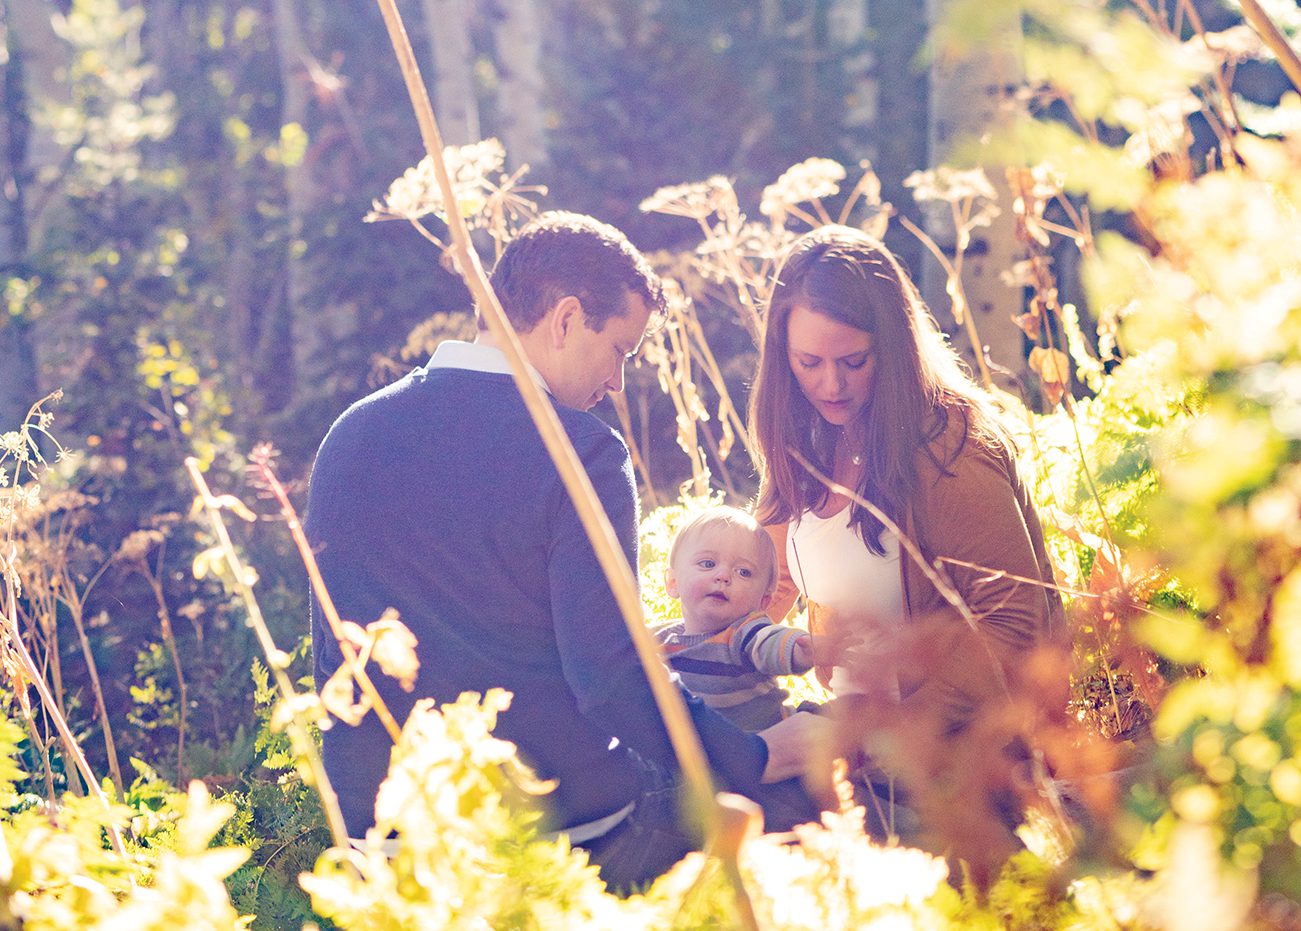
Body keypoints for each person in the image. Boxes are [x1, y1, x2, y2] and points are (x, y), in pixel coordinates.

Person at [306, 211, 826, 890]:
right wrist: (751, 754)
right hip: (553, 830)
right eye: (618, 349)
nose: (615, 382)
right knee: (790, 818)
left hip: (379, 836)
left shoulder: (350, 434)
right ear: (565, 318)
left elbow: (330, 653)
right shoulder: (577, 451)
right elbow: (609, 674)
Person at [748, 224, 1063, 843]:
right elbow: (775, 580)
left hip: (951, 764)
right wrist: (704, 641)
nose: (831, 385)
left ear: (892, 349)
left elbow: (1010, 626)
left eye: (854, 362)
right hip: (849, 744)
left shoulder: (953, 449)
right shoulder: (802, 438)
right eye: (809, 363)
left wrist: (892, 734)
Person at [656, 505, 829, 732]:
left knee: (815, 734)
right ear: (673, 582)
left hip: (770, 744)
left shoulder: (745, 633)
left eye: (743, 572)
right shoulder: (658, 640)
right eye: (708, 564)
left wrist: (800, 650)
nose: (723, 576)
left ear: (764, 602)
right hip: (708, 753)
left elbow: (768, 642)